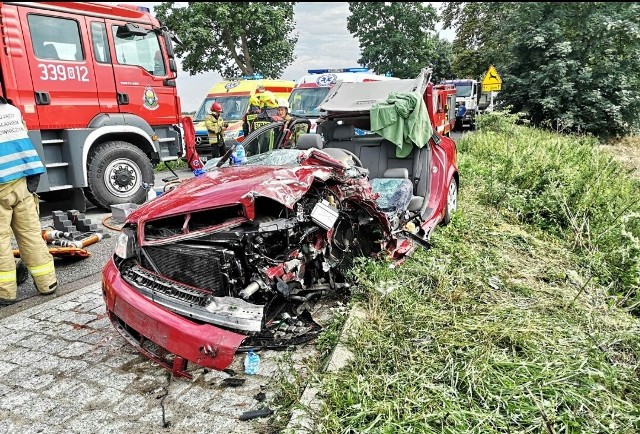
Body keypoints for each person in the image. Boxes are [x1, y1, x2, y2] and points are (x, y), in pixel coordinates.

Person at [0, 97, 58, 305]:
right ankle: (47, 283)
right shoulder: (12, 110)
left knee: (1, 243)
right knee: (31, 235)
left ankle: (5, 293)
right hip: (23, 182)